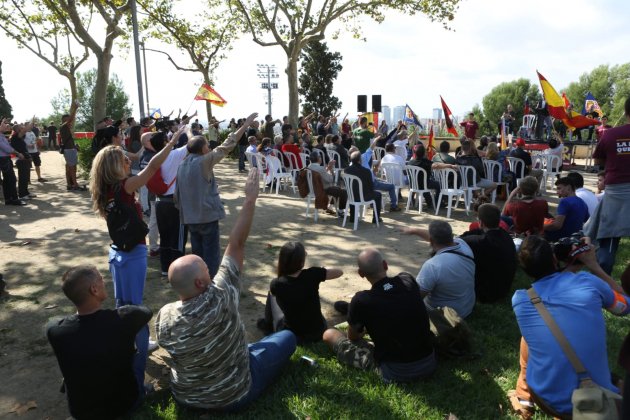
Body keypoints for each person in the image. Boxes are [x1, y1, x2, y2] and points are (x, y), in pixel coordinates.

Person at [156, 170, 297, 411]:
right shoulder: (220, 295)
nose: (212, 275)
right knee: (287, 338)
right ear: (200, 283)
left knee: (240, 347)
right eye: (206, 272)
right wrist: (250, 199)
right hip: (235, 393)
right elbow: (237, 244)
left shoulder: (164, 317)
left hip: (187, 397)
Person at [89, 129, 181, 394]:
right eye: (124, 160)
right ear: (114, 167)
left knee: (122, 304)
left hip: (118, 253)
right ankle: (136, 377)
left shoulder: (105, 189)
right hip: (133, 253)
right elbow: (151, 168)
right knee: (135, 310)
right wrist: (171, 143)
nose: (129, 162)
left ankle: (132, 345)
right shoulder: (125, 187)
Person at [511, 235, 629, 418]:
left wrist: (568, 270)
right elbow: (624, 307)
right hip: (597, 402)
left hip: (547, 398)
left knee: (533, 333)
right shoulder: (588, 282)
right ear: (554, 259)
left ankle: (523, 395)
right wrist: (594, 266)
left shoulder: (520, 300)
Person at [46, 266, 152, 420]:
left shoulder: (55, 330)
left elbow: (52, 321)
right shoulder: (125, 318)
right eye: (101, 279)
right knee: (141, 330)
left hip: (80, 411)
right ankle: (142, 390)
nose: (105, 282)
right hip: (123, 405)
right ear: (94, 289)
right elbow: (146, 311)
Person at [322, 248, 436, 383]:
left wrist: (365, 328)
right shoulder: (408, 280)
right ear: (386, 265)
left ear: (361, 274)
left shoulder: (361, 300)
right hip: (429, 361)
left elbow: (353, 337)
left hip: (394, 371)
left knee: (329, 334)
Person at [176, 113, 257, 278]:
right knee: (211, 256)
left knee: (197, 257)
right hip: (206, 216)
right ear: (203, 149)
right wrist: (246, 124)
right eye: (207, 145)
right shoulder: (205, 160)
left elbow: (177, 195)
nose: (209, 147)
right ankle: (211, 285)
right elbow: (228, 144)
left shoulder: (182, 164)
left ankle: (198, 282)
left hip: (190, 218)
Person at [260, 242, 343, 342]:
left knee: (271, 294)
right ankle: (268, 324)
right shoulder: (313, 274)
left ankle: (267, 325)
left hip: (293, 335)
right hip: (318, 331)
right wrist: (323, 269)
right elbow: (339, 272)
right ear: (301, 261)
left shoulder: (276, 283)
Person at [587, 97, 630, 275]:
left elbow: (598, 159)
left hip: (617, 191)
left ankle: (603, 281)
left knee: (609, 236)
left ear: (626, 111)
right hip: (617, 190)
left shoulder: (611, 134)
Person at [403, 221, 476, 317]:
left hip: (446, 316)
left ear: (431, 241)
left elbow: (415, 298)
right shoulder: (463, 244)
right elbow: (436, 238)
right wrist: (415, 230)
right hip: (466, 306)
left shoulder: (433, 265)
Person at [460, 204, 517, 303]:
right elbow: (475, 233)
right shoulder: (506, 235)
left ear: (480, 222)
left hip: (485, 294)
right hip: (504, 289)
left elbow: (456, 242)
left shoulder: (479, 242)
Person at [406, 144, 457, 209]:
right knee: (439, 185)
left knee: (423, 184)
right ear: (424, 153)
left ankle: (427, 202)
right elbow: (437, 165)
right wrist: (450, 166)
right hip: (424, 184)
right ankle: (437, 202)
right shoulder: (425, 162)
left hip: (413, 185)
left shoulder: (410, 163)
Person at [544, 177, 589, 242]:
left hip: (561, 238)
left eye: (559, 188)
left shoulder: (565, 201)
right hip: (575, 238)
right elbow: (587, 221)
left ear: (568, 188)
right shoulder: (582, 202)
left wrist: (541, 227)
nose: (557, 192)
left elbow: (557, 226)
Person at [345, 151, 382, 222]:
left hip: (350, 196)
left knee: (353, 191)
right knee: (378, 195)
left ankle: (352, 217)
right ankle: (376, 218)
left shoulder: (346, 170)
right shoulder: (366, 171)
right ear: (360, 160)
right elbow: (371, 186)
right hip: (363, 197)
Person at [0, 118, 24, 205]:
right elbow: (7, 149)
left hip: (5, 159)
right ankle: (14, 199)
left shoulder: (2, 136)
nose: (5, 126)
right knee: (11, 179)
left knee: (7, 180)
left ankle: (9, 199)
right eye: (3, 124)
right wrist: (17, 153)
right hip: (3, 159)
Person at [60, 109, 85, 191]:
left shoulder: (66, 128)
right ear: (64, 120)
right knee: (72, 168)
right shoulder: (63, 126)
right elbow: (71, 118)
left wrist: (75, 146)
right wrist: (76, 108)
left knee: (69, 168)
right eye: (68, 120)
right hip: (69, 150)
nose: (70, 122)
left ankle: (70, 184)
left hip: (70, 149)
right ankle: (75, 185)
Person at [9, 123, 35, 200]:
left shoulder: (21, 136)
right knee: (23, 177)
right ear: (17, 129)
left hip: (25, 159)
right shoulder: (15, 137)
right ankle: (22, 194)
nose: (23, 127)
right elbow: (25, 130)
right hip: (21, 160)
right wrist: (31, 122)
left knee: (26, 177)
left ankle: (26, 192)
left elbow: (26, 130)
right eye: (21, 127)